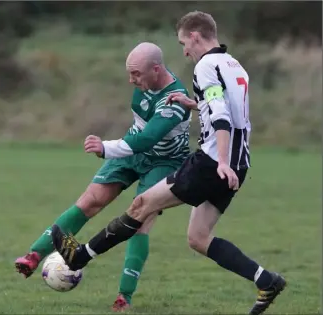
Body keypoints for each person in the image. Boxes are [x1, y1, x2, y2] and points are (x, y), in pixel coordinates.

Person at [51, 11, 286, 315]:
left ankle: (79, 256)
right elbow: (226, 107)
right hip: (240, 164)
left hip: (213, 162)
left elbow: (222, 117)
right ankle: (267, 281)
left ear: (195, 36)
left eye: (183, 43)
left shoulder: (205, 66)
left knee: (141, 206)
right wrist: (194, 104)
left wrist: (221, 161)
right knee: (198, 238)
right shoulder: (233, 65)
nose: (184, 51)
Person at [15, 42, 192, 311]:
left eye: (136, 74)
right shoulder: (143, 85)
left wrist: (106, 148)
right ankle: (33, 255)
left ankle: (124, 296)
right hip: (132, 152)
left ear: (156, 69)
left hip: (164, 161)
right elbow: (139, 133)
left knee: (139, 221)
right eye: (129, 73)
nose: (131, 80)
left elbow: (147, 138)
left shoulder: (175, 100)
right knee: (89, 201)